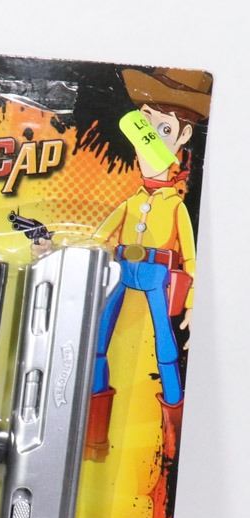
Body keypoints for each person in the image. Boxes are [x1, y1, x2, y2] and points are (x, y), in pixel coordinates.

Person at [85, 67, 211, 461]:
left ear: (183, 138)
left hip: (158, 277)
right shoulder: (131, 202)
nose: (149, 141)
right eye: (146, 127)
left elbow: (191, 257)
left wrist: (193, 304)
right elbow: (96, 239)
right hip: (122, 271)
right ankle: (93, 440)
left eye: (165, 130)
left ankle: (173, 445)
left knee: (166, 351)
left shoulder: (175, 206)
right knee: (97, 345)